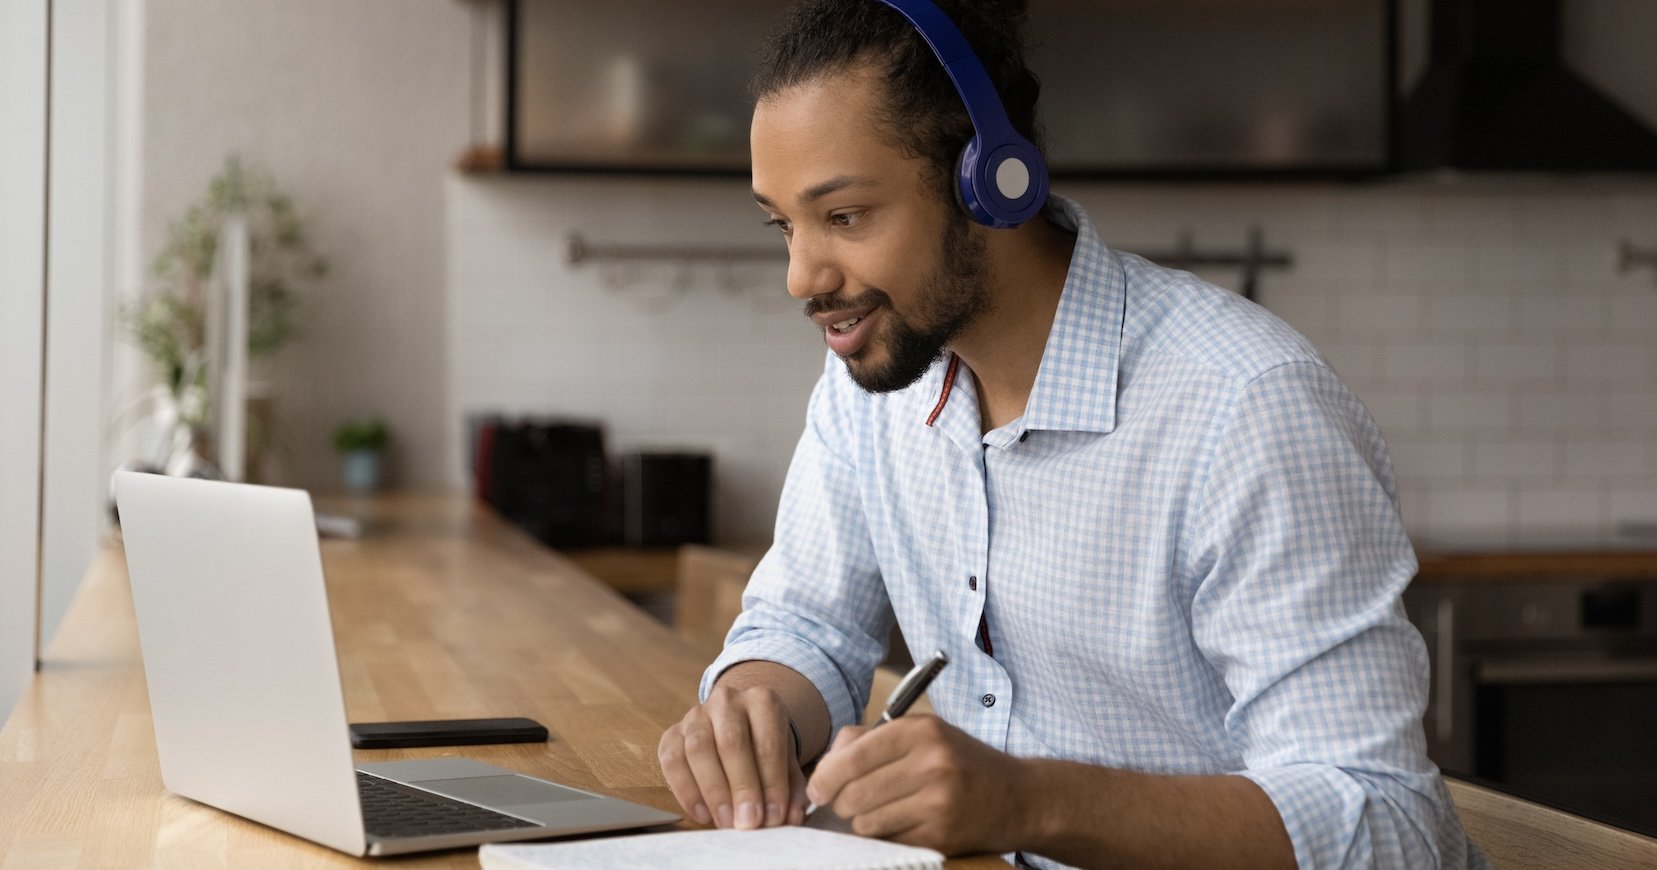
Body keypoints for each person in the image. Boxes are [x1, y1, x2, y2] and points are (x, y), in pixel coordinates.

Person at [656, 1, 1485, 867]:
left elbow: (1387, 825)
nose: (802, 277)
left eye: (846, 217)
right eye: (783, 224)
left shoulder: (1244, 409)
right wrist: (752, 707)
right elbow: (807, 628)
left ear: (991, 180)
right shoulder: (873, 381)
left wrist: (1026, 802)